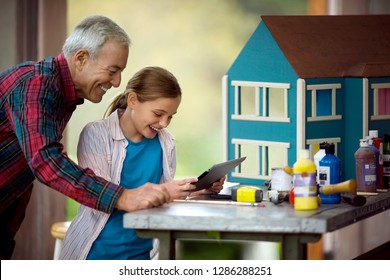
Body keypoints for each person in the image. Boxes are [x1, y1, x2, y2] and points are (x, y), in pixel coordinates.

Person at [1, 15, 174, 260]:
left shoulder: (60, 95)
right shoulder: (35, 85)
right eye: (113, 71)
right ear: (81, 58)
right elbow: (46, 161)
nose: (117, 83)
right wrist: (123, 196)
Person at [59, 66, 225, 260]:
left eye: (170, 116)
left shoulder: (166, 142)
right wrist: (165, 192)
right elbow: (99, 197)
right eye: (158, 113)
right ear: (133, 100)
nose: (164, 123)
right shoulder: (96, 134)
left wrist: (197, 190)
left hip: (143, 253)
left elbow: (162, 196)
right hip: (98, 252)